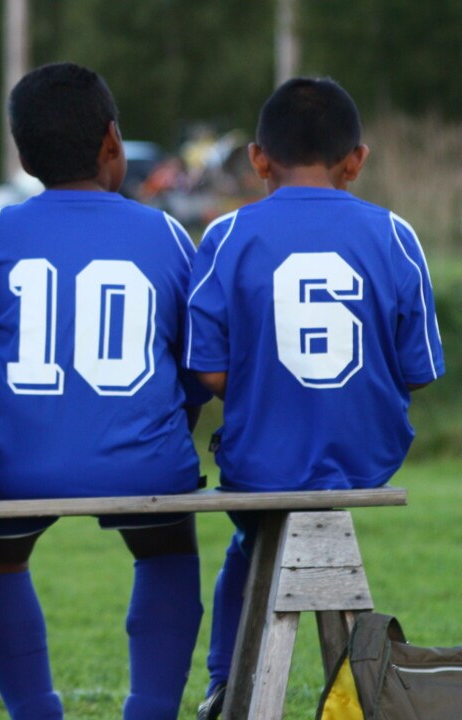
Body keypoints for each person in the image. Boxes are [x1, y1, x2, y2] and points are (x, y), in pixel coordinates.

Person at [0, 62, 209, 720]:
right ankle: (150, 710)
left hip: (17, 463)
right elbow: (196, 359)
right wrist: (169, 415)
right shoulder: (165, 235)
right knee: (166, 548)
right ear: (112, 143)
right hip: (142, 458)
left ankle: (36, 712)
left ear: (22, 153)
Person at [186, 77, 444, 720]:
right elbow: (420, 369)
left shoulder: (226, 235)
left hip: (263, 461)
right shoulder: (395, 235)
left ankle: (223, 680)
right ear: (356, 159)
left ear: (257, 158)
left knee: (249, 540)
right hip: (368, 456)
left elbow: (209, 373)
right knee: (268, 529)